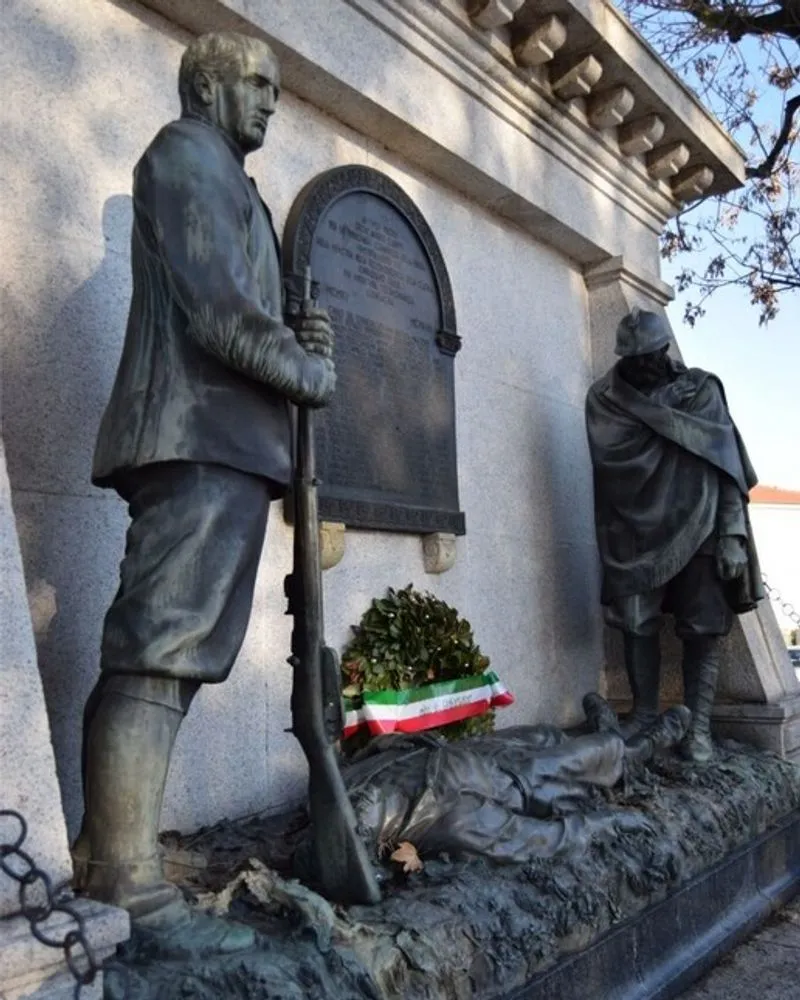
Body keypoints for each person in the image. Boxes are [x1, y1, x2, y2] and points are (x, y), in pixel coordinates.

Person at [74, 31, 336, 956]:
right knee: (156, 652)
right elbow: (218, 307)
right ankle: (127, 888)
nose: (271, 101)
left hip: (223, 441)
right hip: (195, 437)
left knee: (168, 657)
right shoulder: (186, 154)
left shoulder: (230, 175)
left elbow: (244, 305)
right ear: (207, 85)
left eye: (277, 87)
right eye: (257, 84)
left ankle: (114, 858)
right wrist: (301, 369)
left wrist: (301, 343)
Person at [585, 308, 763, 762]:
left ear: (665, 350)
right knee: (635, 620)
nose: (643, 363)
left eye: (650, 354)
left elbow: (727, 470)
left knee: (704, 627)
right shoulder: (606, 399)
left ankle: (698, 728)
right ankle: (644, 714)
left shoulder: (702, 391)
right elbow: (611, 471)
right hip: (633, 530)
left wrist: (733, 535)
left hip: (702, 522)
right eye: (634, 356)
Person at [316, 696, 690, 866]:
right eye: (359, 825)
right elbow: (538, 839)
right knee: (601, 751)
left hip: (488, 749)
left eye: (353, 807)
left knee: (548, 732)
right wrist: (610, 822)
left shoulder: (351, 785)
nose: (360, 804)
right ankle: (642, 746)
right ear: (379, 837)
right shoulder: (453, 822)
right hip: (528, 780)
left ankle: (614, 736)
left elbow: (367, 752)